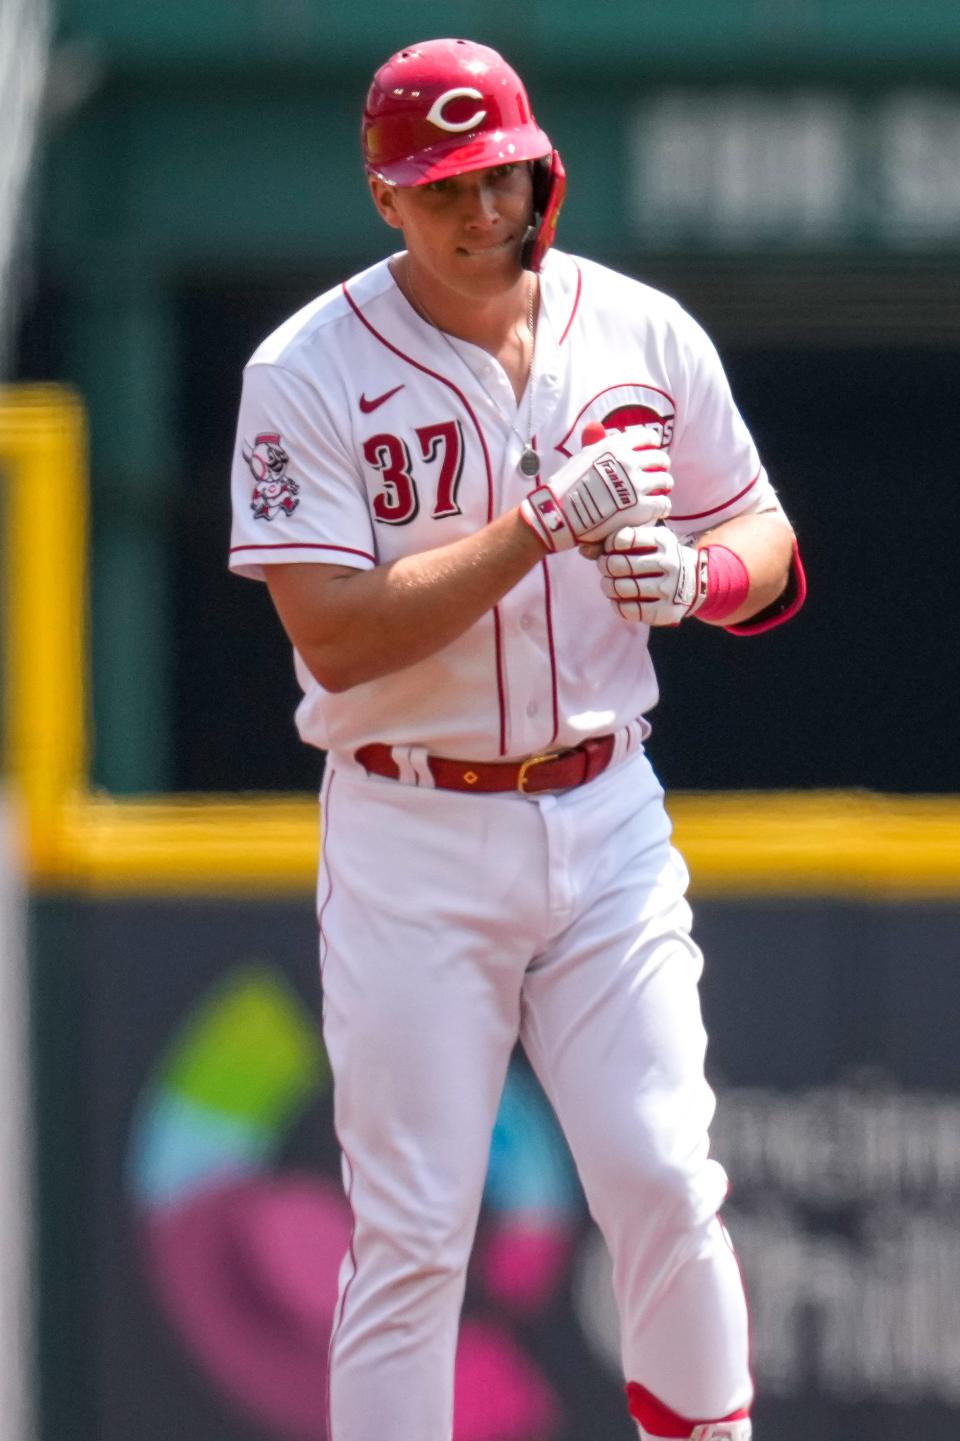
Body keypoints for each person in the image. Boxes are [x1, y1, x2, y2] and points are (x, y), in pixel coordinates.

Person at [229, 37, 805, 1441]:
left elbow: (769, 539)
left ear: (543, 165)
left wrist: (701, 579)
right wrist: (538, 525)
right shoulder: (306, 367)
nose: (484, 213)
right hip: (410, 825)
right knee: (417, 1231)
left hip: (606, 805)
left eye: (503, 177)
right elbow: (338, 633)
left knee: (668, 1173)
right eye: (445, 190)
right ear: (385, 198)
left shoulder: (644, 330)